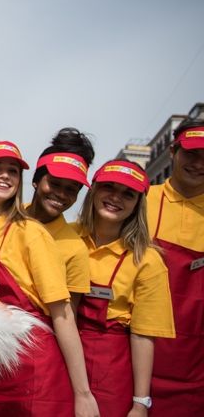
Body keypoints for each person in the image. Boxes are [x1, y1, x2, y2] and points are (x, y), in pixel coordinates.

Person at [0, 141, 98, 417]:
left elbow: (63, 315)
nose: (4, 175)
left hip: (32, 373)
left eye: (13, 171)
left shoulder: (31, 233)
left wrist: (83, 394)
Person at [75, 159, 175, 416]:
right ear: (94, 189)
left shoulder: (148, 260)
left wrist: (140, 403)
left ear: (137, 205)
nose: (116, 198)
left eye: (128, 194)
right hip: (60, 361)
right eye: (109, 187)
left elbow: (143, 336)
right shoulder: (65, 237)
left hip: (112, 373)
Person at [147, 120, 204, 416]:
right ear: (173, 152)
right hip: (140, 354)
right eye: (191, 154)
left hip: (195, 366)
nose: (198, 164)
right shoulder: (141, 201)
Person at [25, 128, 95, 306]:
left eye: (71, 189)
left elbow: (66, 317)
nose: (61, 194)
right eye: (55, 183)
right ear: (36, 180)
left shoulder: (76, 251)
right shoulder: (4, 218)